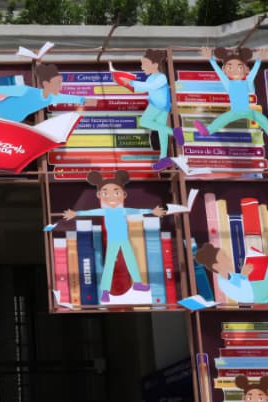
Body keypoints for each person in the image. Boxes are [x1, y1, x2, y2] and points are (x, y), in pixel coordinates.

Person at [62, 171, 167, 302]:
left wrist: (152, 211)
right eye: (105, 193)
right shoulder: (105, 211)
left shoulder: (123, 210)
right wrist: (76, 213)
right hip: (113, 241)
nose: (111, 197)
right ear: (99, 195)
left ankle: (137, 283)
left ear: (124, 195)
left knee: (131, 261)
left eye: (116, 193)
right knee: (109, 265)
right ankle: (105, 292)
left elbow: (138, 211)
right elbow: (91, 212)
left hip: (124, 240)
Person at [0, 63, 96, 138]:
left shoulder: (52, 97)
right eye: (58, 82)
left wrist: (89, 100)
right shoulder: (27, 90)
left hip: (11, 119)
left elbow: (72, 98)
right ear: (46, 83)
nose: (60, 86)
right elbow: (6, 89)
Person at [194, 47, 268, 145]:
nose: (235, 71)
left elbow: (254, 71)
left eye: (240, 67)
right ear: (224, 70)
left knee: (263, 120)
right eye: (230, 68)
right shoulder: (228, 83)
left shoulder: (247, 81)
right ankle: (207, 131)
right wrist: (211, 59)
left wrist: (259, 60)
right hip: (235, 112)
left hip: (248, 111)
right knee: (221, 119)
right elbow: (219, 72)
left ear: (246, 70)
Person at [123, 49, 176, 170]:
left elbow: (151, 86)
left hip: (158, 105)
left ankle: (174, 132)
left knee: (144, 121)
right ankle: (164, 159)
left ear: (155, 65)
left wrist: (132, 82)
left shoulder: (161, 77)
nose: (142, 67)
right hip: (161, 106)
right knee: (162, 131)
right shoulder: (150, 78)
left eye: (145, 64)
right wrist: (126, 84)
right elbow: (143, 89)